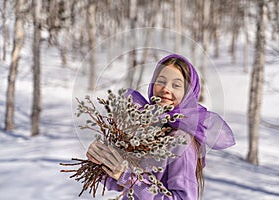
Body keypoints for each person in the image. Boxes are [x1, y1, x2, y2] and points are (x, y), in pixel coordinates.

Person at [86, 54, 235, 199]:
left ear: (188, 94)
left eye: (176, 85)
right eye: (161, 81)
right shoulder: (143, 128)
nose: (165, 89)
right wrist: (102, 163)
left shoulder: (180, 139)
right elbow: (123, 184)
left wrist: (128, 176)